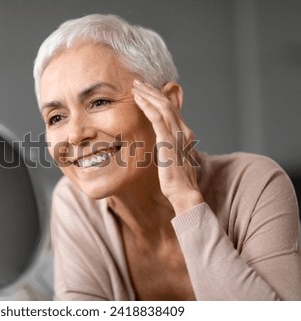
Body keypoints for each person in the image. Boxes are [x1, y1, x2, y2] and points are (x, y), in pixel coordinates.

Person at [32, 14, 301, 300]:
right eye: (56, 117)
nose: (74, 135)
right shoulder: (74, 203)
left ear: (169, 102)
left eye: (99, 102)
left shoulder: (255, 184)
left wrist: (185, 199)